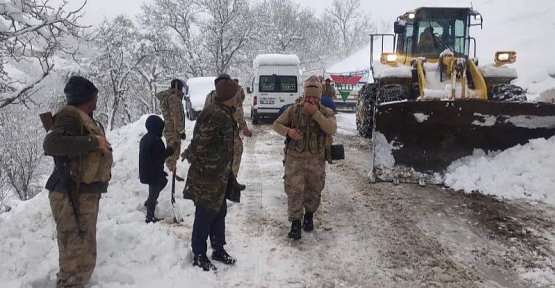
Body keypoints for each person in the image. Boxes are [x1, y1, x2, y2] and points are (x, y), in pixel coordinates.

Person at [43, 75, 113, 287]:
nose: (97, 100)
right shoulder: (70, 116)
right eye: (94, 96)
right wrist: (94, 142)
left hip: (82, 193)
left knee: (82, 248)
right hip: (70, 192)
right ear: (86, 98)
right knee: (74, 251)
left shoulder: (82, 116)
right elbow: (51, 143)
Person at [182, 78, 239, 271]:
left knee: (219, 212)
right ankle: (199, 253)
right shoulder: (215, 114)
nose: (238, 96)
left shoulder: (224, 112)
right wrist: (190, 156)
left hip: (220, 174)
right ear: (230, 96)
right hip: (208, 175)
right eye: (236, 93)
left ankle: (218, 248)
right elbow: (200, 141)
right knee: (205, 214)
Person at [272, 75, 337, 240]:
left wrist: (315, 114)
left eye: (314, 97)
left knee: (314, 190)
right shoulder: (294, 110)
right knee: (294, 191)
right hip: (295, 159)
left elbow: (331, 129)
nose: (311, 100)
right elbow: (276, 124)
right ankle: (295, 222)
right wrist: (288, 132)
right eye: (308, 96)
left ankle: (309, 216)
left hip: (316, 159)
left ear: (320, 97)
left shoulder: (325, 112)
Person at [205, 75, 251, 189]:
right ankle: (230, 181)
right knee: (236, 150)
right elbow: (237, 112)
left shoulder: (210, 96)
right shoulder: (226, 96)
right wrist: (244, 128)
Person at [139, 115, 174, 223]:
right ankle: (150, 216)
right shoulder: (156, 141)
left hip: (147, 171)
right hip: (153, 173)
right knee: (154, 192)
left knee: (163, 181)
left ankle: (149, 202)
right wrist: (170, 150)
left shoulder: (145, 138)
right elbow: (159, 157)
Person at [155, 79, 186, 171]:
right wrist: (181, 131)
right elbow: (175, 115)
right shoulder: (173, 98)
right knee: (173, 149)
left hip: (171, 128)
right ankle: (171, 169)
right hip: (173, 128)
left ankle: (172, 168)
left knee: (173, 149)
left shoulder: (170, 97)